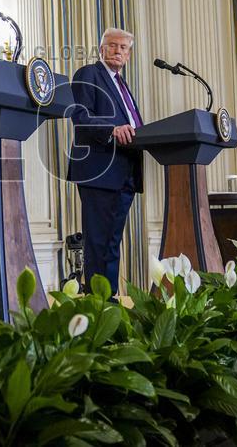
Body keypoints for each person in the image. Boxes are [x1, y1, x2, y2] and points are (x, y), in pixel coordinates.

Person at [67, 28, 143, 297]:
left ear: (129, 54)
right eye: (112, 46)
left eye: (123, 48)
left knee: (111, 243)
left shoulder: (123, 85)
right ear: (101, 49)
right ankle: (99, 304)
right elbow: (80, 116)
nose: (118, 51)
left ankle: (108, 301)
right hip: (99, 172)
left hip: (125, 173)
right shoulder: (89, 74)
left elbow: (133, 126)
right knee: (98, 243)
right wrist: (111, 129)